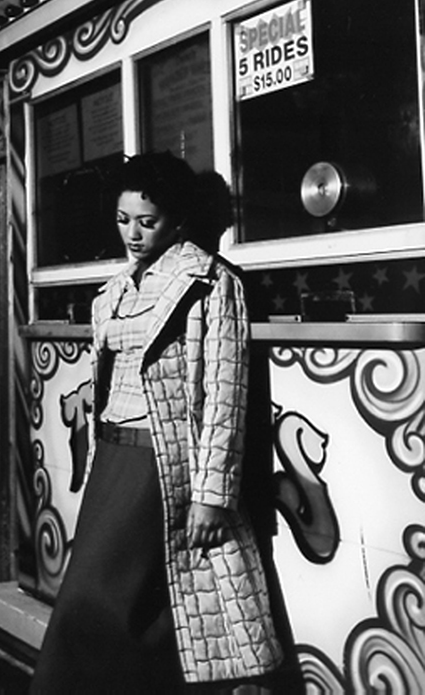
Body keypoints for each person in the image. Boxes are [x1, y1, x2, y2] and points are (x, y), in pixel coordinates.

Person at [30, 152, 284, 693]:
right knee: (115, 604)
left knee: (109, 603)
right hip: (111, 456)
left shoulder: (211, 282)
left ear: (178, 218)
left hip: (161, 464)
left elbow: (226, 393)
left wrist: (212, 496)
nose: (133, 234)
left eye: (148, 221)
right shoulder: (116, 290)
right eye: (124, 220)